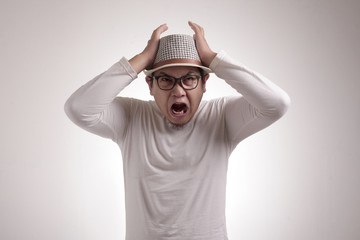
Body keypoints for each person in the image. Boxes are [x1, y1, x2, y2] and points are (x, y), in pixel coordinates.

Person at [65, 21, 290, 240]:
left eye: (190, 79)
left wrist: (213, 59)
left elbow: (277, 103)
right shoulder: (132, 117)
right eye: (165, 80)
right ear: (150, 86)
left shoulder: (221, 116)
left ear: (204, 83)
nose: (178, 92)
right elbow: (78, 108)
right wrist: (142, 59)